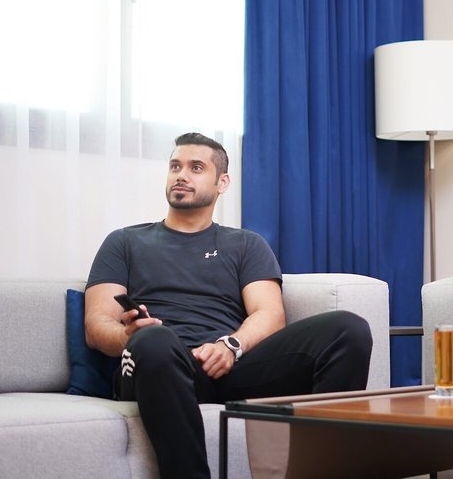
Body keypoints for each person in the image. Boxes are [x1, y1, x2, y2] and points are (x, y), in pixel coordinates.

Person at [84, 132, 373, 479]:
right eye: (175, 166)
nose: (181, 175)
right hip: (157, 366)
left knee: (349, 329)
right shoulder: (125, 242)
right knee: (154, 340)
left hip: (229, 367)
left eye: (196, 168)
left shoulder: (245, 244)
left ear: (222, 182)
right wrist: (129, 337)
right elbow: (97, 324)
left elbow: (270, 314)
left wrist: (232, 346)